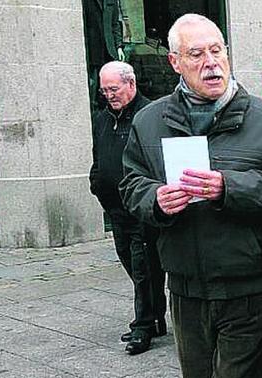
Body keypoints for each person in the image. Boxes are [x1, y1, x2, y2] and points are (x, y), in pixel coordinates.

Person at [119, 13, 262, 378]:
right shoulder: (150, 120)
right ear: (176, 62)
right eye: (196, 54)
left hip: (248, 286)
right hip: (186, 286)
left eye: (216, 50)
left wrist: (228, 188)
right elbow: (131, 184)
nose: (211, 62)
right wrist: (154, 200)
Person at [89, 61, 166, 355]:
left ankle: (143, 325)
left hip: (140, 207)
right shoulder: (102, 119)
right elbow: (98, 155)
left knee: (144, 267)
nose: (109, 95)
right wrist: (96, 182)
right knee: (130, 263)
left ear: (130, 84)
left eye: (114, 88)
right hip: (114, 208)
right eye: (105, 90)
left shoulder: (148, 116)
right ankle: (155, 313)